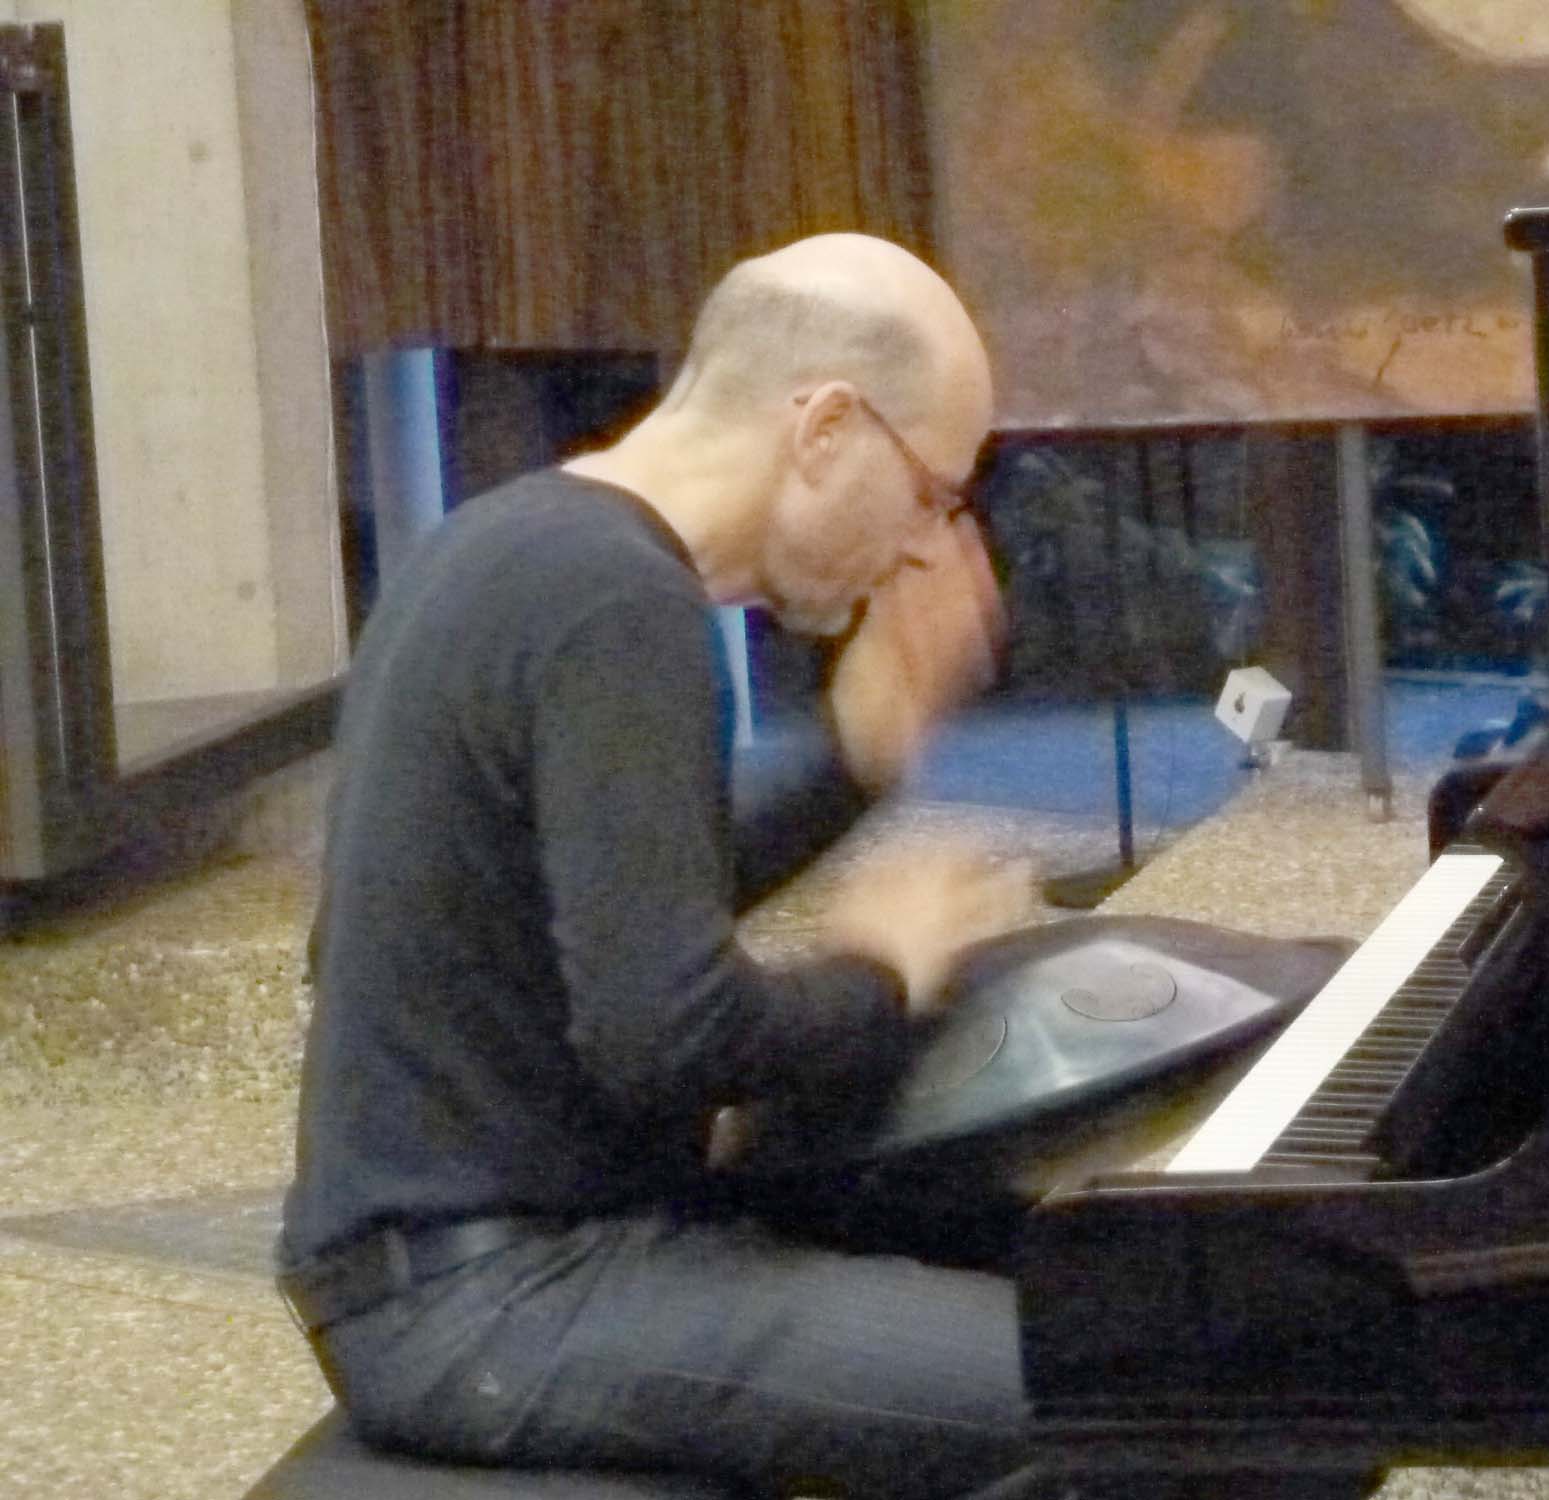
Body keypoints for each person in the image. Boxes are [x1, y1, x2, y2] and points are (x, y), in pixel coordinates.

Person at [277, 234, 1043, 1499]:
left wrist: (852, 762)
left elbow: (595, 900)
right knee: (1114, 1393)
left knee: (1022, 1259)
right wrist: (883, 970)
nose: (924, 548)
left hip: (450, 1264)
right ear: (826, 428)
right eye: (931, 496)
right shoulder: (619, 604)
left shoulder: (512, 542)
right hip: (497, 1296)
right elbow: (668, 1035)